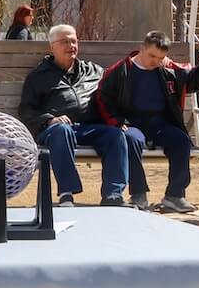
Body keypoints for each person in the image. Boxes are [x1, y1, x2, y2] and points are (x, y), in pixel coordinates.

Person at [91, 31, 199, 213]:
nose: (155, 61)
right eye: (152, 56)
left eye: (160, 57)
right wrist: (116, 121)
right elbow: (103, 98)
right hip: (132, 123)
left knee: (180, 140)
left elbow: (194, 79)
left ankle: (175, 195)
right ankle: (139, 193)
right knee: (130, 140)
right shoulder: (120, 71)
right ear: (142, 48)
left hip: (161, 124)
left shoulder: (168, 70)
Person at [17, 24, 145, 207]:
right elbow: (26, 111)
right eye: (65, 42)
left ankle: (113, 195)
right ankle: (66, 194)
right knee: (62, 130)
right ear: (52, 47)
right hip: (55, 131)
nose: (71, 46)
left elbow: (113, 93)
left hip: (91, 127)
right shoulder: (38, 77)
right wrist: (50, 119)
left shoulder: (93, 71)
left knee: (116, 135)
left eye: (74, 41)